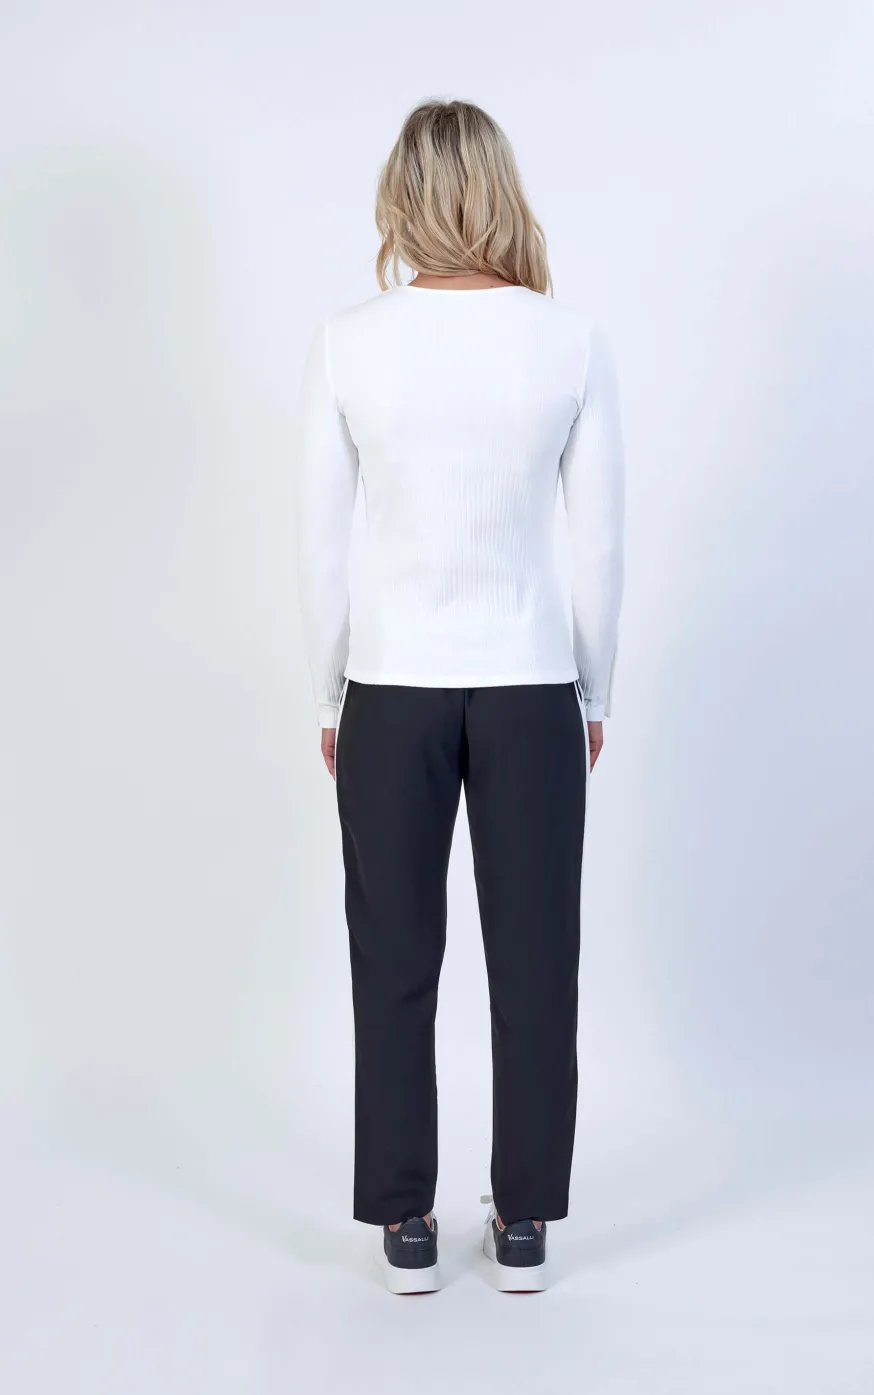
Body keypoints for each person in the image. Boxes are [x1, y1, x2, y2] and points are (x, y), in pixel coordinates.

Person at [296, 97, 625, 1293]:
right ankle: (524, 1221)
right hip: (532, 682)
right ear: (500, 189)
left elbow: (320, 545)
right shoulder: (569, 341)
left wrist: (330, 695)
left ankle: (405, 1224)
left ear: (403, 195)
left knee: (393, 958)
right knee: (537, 960)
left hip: (392, 685)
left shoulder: (349, 342)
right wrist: (593, 689)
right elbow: (600, 544)